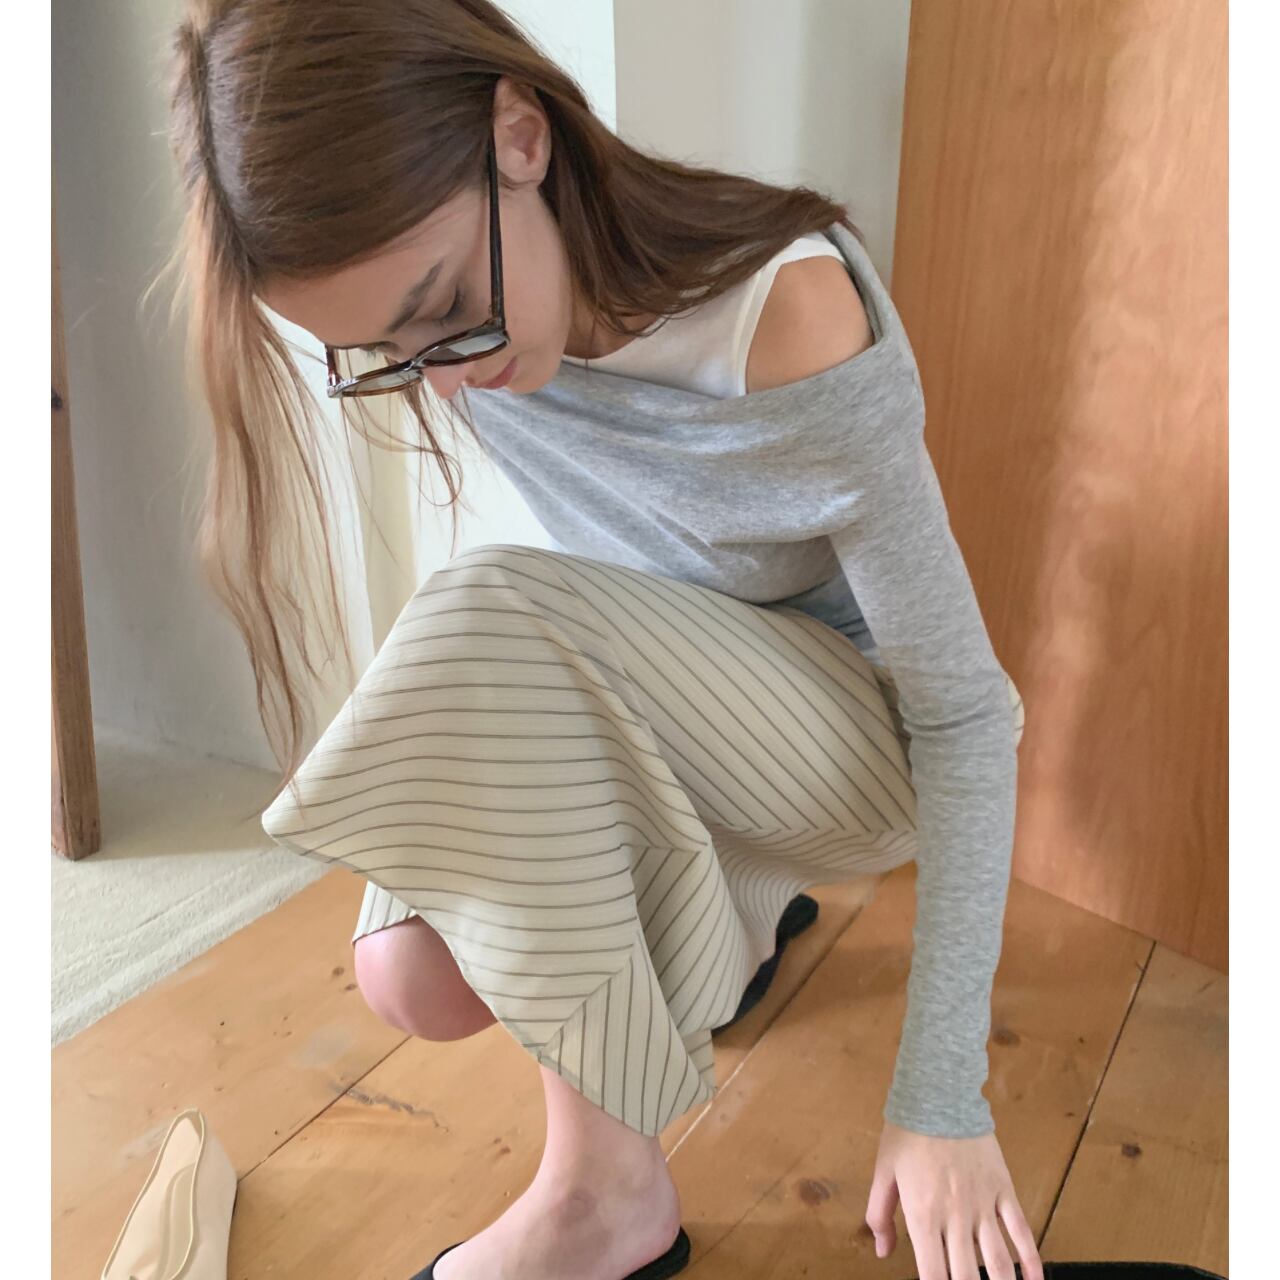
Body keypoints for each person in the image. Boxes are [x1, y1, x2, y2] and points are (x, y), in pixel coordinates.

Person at [162, 3, 1043, 1279]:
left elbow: (964, 715)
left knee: (491, 599)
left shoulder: (792, 320)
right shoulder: (478, 341)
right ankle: (733, 918)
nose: (441, 375)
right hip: (698, 705)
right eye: (384, 353)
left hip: (859, 743)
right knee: (410, 973)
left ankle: (605, 1196)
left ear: (519, 137)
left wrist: (942, 1097)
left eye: (442, 309)